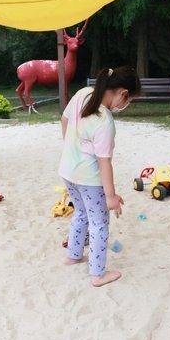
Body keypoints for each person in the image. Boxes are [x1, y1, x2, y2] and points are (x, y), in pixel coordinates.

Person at [59, 66, 140, 287]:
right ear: (123, 93)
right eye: (129, 100)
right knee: (99, 223)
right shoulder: (104, 120)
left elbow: (65, 120)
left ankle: (73, 255)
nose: (126, 105)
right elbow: (104, 162)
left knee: (81, 214)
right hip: (88, 179)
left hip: (67, 171)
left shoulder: (83, 93)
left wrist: (70, 147)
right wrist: (110, 196)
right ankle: (97, 274)